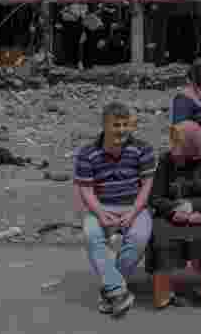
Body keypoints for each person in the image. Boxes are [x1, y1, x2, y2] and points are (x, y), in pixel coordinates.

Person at [73, 101, 156, 317]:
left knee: (138, 239)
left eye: (125, 125)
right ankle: (118, 291)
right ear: (104, 125)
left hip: (134, 206)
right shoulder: (87, 153)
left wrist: (133, 212)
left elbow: (147, 185)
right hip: (101, 206)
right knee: (92, 236)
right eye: (116, 125)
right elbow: (86, 190)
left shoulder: (143, 149)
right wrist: (100, 212)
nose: (121, 130)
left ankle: (110, 289)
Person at [147, 120, 201, 309]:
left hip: (200, 215)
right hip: (170, 215)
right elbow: (155, 198)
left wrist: (193, 207)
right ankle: (164, 294)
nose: (175, 149)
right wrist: (172, 212)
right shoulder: (166, 160)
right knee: (162, 241)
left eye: (180, 145)